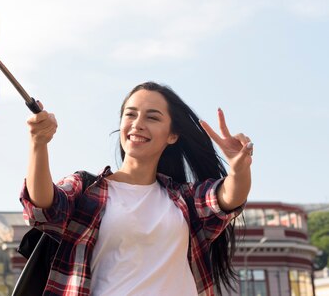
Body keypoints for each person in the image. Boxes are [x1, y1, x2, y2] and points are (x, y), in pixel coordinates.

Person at [20, 81, 252, 296]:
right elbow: (44, 207)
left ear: (172, 135)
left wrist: (238, 169)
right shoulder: (86, 188)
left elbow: (227, 198)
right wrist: (38, 143)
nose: (138, 124)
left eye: (152, 118)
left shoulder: (185, 200)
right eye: (130, 114)